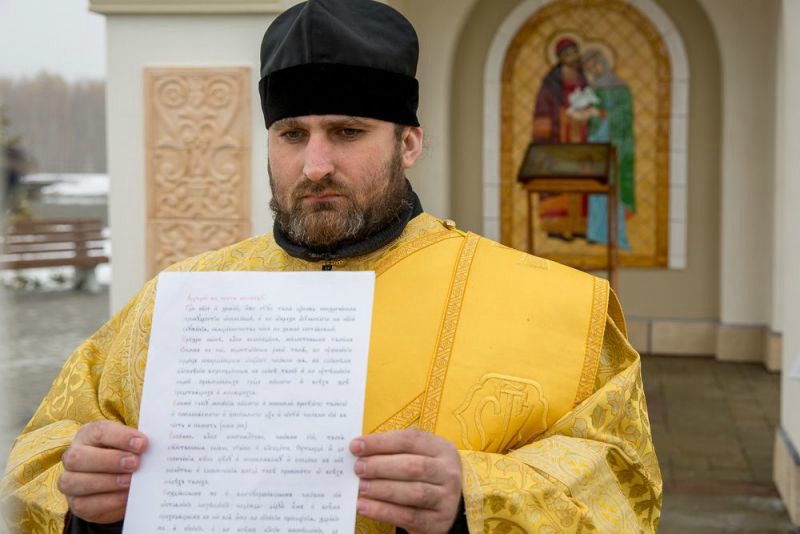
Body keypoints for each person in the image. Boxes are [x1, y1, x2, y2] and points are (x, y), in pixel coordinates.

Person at [0, 1, 662, 533]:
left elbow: (621, 481)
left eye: (347, 132)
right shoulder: (178, 300)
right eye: (292, 134)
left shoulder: (557, 308)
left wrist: (473, 496)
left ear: (409, 142)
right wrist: (84, 503)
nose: (315, 165)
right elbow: (41, 456)